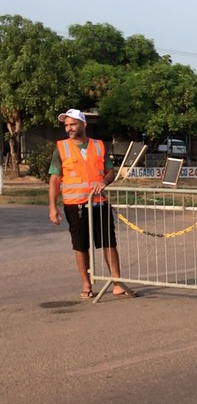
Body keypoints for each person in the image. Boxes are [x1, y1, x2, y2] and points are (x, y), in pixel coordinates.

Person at [47, 109, 129, 298]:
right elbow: (54, 180)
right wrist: (53, 206)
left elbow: (110, 171)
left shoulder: (99, 145)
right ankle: (86, 285)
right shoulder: (61, 148)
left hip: (99, 203)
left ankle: (117, 283)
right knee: (80, 245)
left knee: (109, 243)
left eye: (73, 124)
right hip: (75, 205)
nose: (69, 128)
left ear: (83, 125)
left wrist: (104, 181)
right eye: (66, 125)